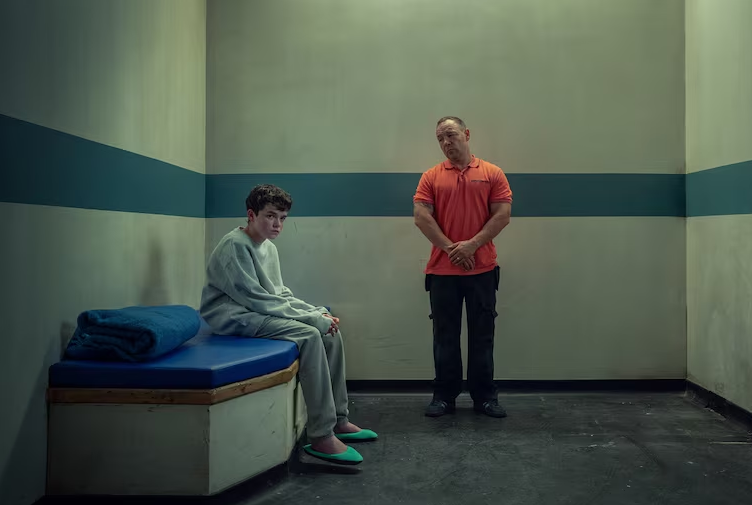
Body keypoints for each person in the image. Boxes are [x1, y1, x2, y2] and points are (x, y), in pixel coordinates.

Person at [200, 184, 377, 465]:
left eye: (282, 218)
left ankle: (339, 419)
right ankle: (321, 435)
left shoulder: (268, 247)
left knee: (330, 333)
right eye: (270, 216)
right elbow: (256, 299)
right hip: (234, 316)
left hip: (256, 311)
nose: (277, 224)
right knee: (309, 335)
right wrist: (311, 320)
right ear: (251, 214)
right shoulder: (234, 245)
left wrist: (316, 312)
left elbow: (279, 294)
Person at [413, 116, 513, 418]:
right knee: (445, 336)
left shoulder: (492, 173)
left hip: (482, 269)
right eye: (440, 138)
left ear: (466, 134)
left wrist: (472, 245)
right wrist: (451, 249)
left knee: (482, 335)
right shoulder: (431, 176)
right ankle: (444, 396)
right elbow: (421, 216)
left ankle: (485, 397)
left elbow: (502, 214)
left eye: (451, 135)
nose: (446, 142)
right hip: (442, 273)